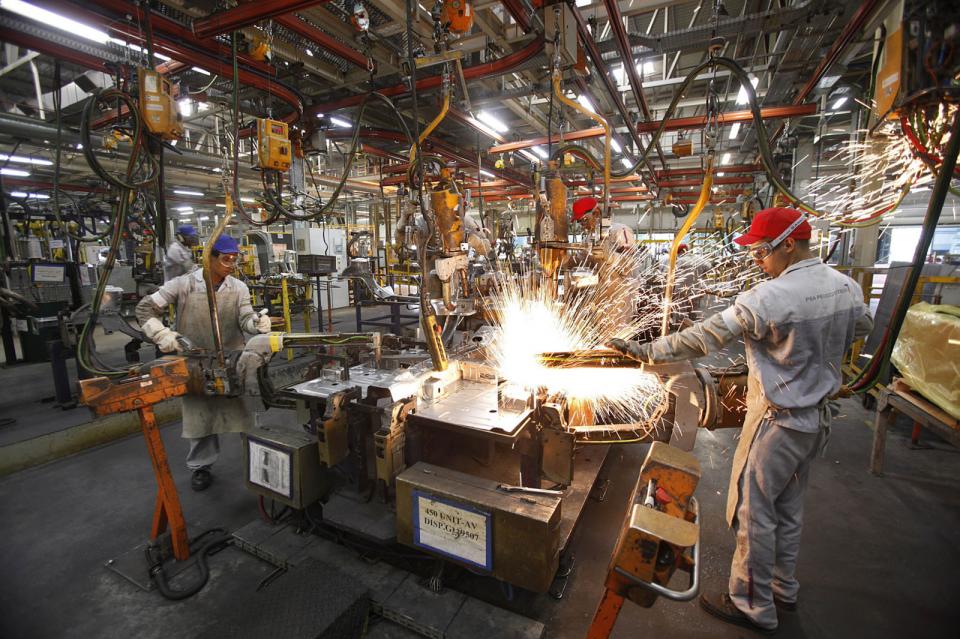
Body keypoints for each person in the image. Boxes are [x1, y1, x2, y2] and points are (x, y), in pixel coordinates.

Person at [608, 207, 873, 634]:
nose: (757, 260)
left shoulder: (770, 297)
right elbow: (863, 326)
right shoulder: (845, 287)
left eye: (762, 251)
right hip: (817, 424)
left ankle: (751, 603)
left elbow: (704, 337)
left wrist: (649, 351)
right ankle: (783, 589)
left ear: (789, 244)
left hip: (776, 425)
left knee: (753, 512)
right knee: (789, 508)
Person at [136, 234, 272, 491]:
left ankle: (260, 462)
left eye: (234, 259)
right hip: (196, 362)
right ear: (209, 258)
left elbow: (244, 318)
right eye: (225, 259)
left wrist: (255, 322)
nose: (230, 265)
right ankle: (200, 466)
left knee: (245, 413)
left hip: (232, 360)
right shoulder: (183, 284)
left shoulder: (238, 287)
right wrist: (161, 334)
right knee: (200, 417)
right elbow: (144, 309)